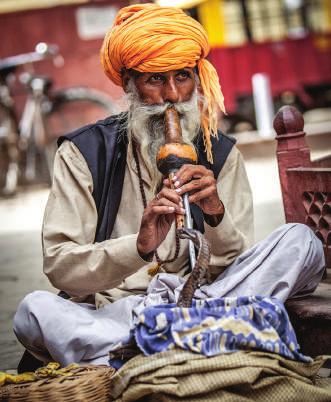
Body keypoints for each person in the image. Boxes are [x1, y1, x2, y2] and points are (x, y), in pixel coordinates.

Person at [13, 3, 324, 367]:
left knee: (300, 242)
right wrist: (139, 247)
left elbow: (236, 265)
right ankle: (210, 338)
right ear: (129, 83)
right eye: (156, 79)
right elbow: (61, 268)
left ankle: (154, 347)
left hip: (207, 298)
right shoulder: (83, 153)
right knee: (33, 311)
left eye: (183, 76)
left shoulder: (220, 153)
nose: (173, 95)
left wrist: (215, 215)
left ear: (197, 77)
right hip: (120, 311)